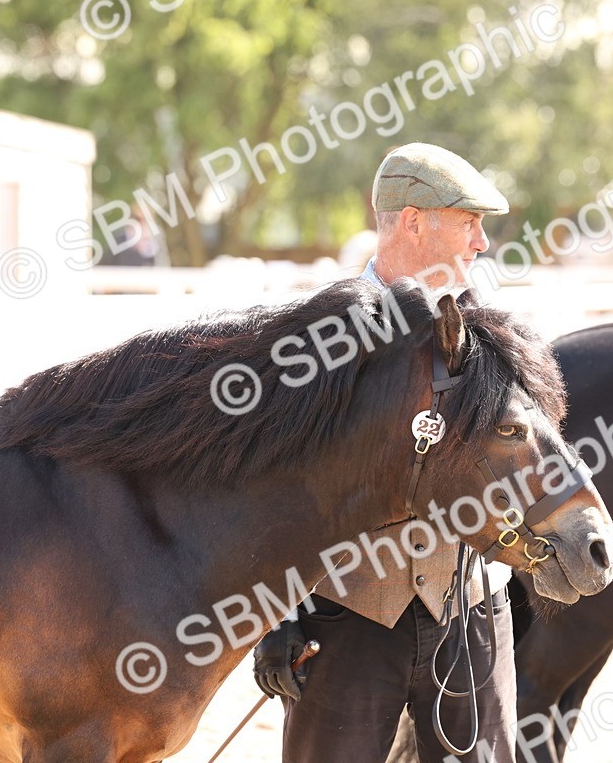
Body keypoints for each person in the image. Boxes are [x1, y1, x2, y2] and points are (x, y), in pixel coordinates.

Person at [252, 142, 518, 762]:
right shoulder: (314, 340)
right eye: (469, 223)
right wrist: (272, 619)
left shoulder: (491, 332)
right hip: (343, 622)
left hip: (468, 611)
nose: (481, 243)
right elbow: (267, 490)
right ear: (414, 221)